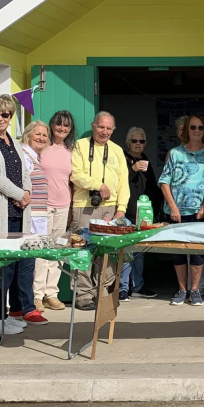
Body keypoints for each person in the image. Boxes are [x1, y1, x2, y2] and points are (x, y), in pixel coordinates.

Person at [0, 94, 33, 334]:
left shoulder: (13, 140)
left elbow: (23, 171)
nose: (1, 119)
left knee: (11, 267)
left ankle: (6, 314)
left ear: (11, 116)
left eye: (5, 114)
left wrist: (27, 191)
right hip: (0, 211)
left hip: (17, 212)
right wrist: (19, 194)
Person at [70, 111, 130, 311]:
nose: (104, 131)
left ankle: (102, 293)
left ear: (113, 130)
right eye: (101, 127)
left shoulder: (117, 150)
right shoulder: (80, 145)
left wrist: (121, 209)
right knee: (83, 251)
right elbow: (75, 175)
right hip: (84, 206)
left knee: (107, 254)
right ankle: (83, 296)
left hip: (110, 209)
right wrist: (98, 185)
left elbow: (123, 183)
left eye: (108, 128)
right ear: (93, 125)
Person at [159, 114, 204, 307]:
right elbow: (164, 181)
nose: (196, 131)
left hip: (199, 211)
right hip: (176, 212)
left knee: (197, 251)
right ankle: (182, 289)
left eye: (200, 128)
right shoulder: (175, 153)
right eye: (193, 127)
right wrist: (173, 207)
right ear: (187, 130)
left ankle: (195, 290)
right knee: (177, 252)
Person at [33, 110, 75, 312]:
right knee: (41, 251)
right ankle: (37, 295)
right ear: (52, 125)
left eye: (66, 125)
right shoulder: (42, 147)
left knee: (57, 250)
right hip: (42, 206)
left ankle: (52, 293)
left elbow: (72, 182)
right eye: (58, 124)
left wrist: (72, 208)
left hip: (63, 206)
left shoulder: (71, 151)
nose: (62, 128)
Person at [119, 127, 159, 301]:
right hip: (126, 211)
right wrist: (133, 169)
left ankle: (138, 285)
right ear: (128, 142)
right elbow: (119, 181)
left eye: (141, 141)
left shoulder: (146, 159)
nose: (137, 144)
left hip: (143, 214)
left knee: (140, 252)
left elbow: (152, 186)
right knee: (127, 251)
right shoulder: (122, 158)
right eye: (134, 141)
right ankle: (123, 288)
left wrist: (156, 210)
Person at [18, 121, 50, 325]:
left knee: (28, 262)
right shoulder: (25, 156)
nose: (41, 138)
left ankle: (22, 307)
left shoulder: (35, 157)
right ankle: (27, 308)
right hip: (28, 217)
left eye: (45, 135)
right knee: (26, 264)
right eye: (37, 134)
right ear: (28, 135)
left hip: (37, 216)